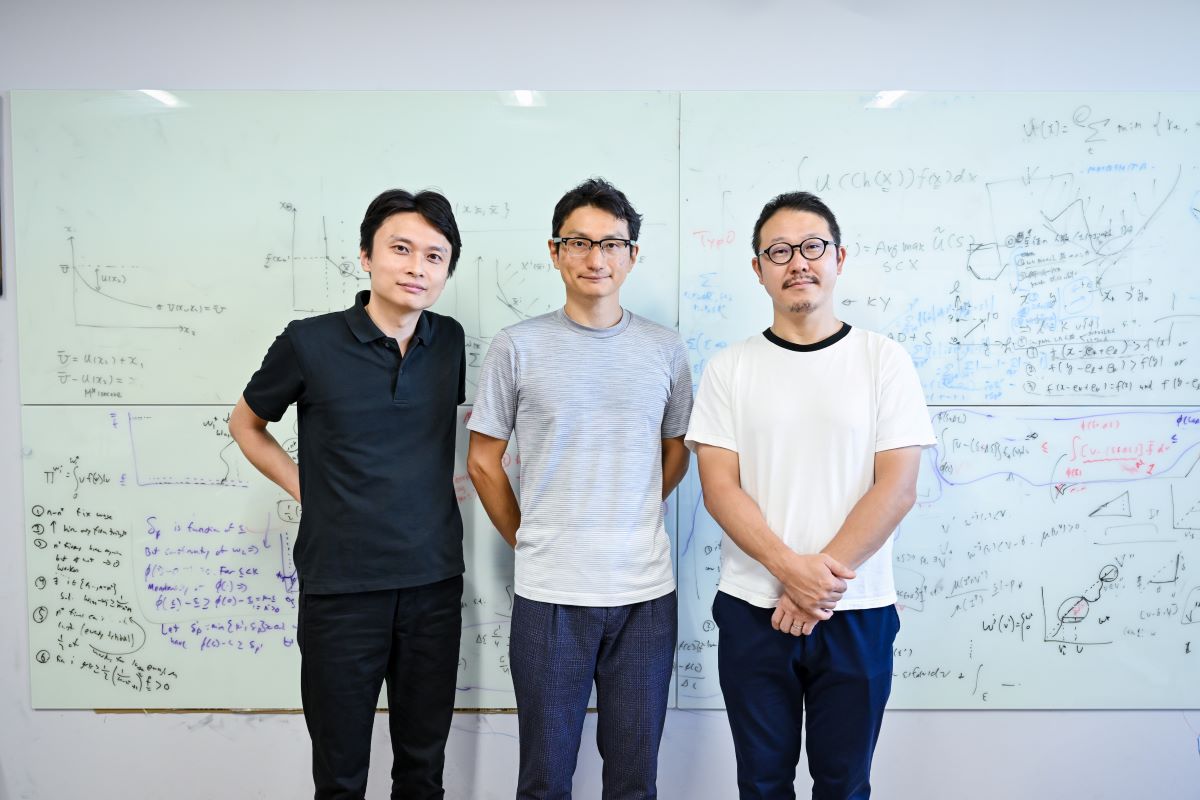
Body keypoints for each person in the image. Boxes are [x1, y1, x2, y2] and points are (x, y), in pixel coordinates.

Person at [686, 191, 935, 799]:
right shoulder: (729, 368)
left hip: (857, 609)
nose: (797, 262)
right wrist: (789, 571)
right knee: (762, 784)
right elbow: (718, 487)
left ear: (838, 257)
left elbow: (898, 487)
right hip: (753, 608)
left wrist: (813, 586)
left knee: (845, 786)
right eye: (779, 251)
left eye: (812, 247)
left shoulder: (883, 360)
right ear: (758, 268)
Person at [228, 189, 466, 800]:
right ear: (366, 256)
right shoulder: (309, 342)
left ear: (447, 270)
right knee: (339, 777)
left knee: (423, 772)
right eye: (401, 249)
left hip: (433, 584)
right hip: (341, 590)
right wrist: (308, 490)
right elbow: (245, 425)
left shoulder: (449, 341)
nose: (417, 267)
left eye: (434, 256)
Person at [466, 178, 692, 799]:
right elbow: (483, 460)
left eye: (612, 243)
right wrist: (529, 535)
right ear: (555, 251)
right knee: (544, 778)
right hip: (550, 595)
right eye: (580, 242)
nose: (597, 258)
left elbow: (677, 449)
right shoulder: (517, 346)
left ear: (632, 255)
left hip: (645, 595)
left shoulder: (665, 349)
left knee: (634, 779)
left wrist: (633, 504)